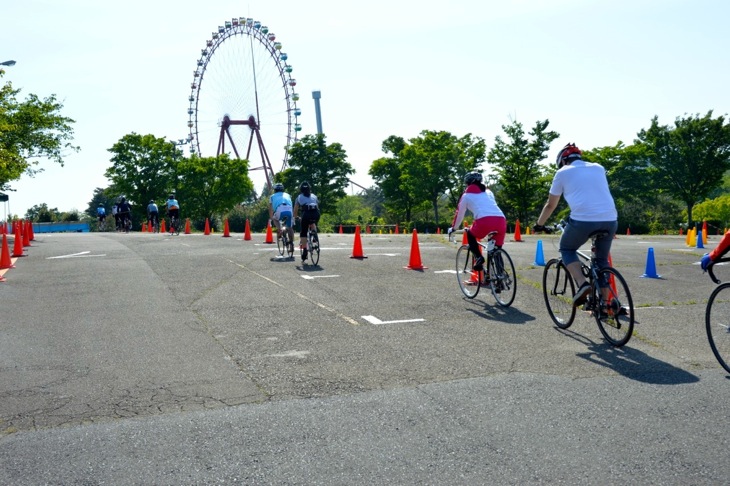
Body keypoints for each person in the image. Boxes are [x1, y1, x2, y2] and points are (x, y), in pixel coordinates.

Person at [533, 143, 618, 307]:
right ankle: (606, 305)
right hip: (610, 220)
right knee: (601, 261)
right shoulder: (598, 168)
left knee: (567, 248)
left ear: (563, 161)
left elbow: (551, 205)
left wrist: (539, 225)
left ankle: (582, 284)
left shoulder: (562, 172)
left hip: (583, 221)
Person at [447, 171, 507, 272]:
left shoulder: (466, 195)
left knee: (470, 234)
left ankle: (479, 258)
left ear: (467, 183)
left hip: (484, 221)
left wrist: (454, 228)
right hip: (501, 219)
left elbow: (459, 214)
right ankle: (500, 278)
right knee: (496, 250)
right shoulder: (489, 192)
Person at [293, 182, 320, 261]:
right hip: (316, 213)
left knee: (304, 232)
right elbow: (317, 206)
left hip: (306, 214)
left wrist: (295, 216)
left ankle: (305, 250)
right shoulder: (314, 196)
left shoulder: (299, 197)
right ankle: (314, 234)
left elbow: (295, 209)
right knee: (312, 222)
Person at [268, 183, 294, 253]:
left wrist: (271, 217)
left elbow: (270, 208)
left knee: (275, 219)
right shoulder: (288, 195)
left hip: (280, 209)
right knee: (290, 227)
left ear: (275, 190)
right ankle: (291, 245)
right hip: (289, 210)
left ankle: (279, 230)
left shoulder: (272, 196)